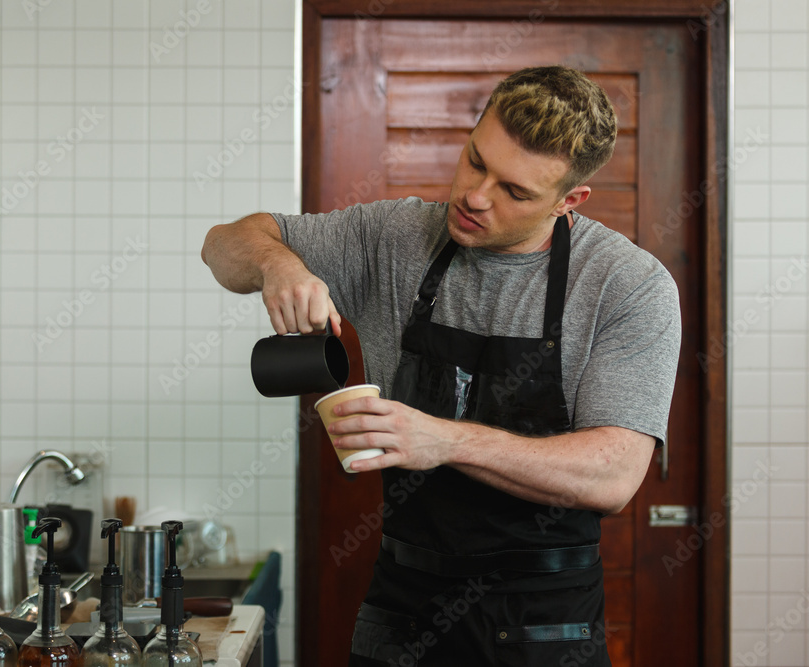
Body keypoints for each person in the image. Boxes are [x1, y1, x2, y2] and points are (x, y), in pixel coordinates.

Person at [202, 65, 681, 665]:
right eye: (476, 161)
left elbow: (612, 479)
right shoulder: (395, 237)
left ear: (568, 201)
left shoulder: (626, 286)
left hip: (542, 624)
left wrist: (445, 440)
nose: (476, 196)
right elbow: (222, 244)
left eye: (515, 192)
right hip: (402, 609)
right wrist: (278, 264)